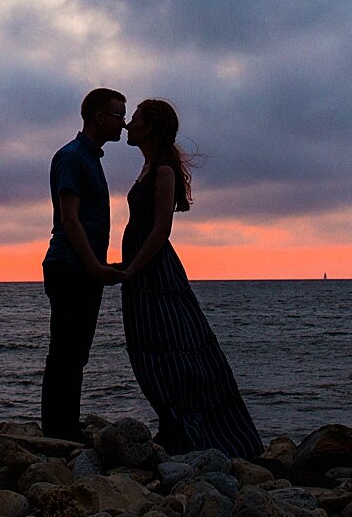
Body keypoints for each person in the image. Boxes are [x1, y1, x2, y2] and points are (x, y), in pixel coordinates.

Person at [117, 98, 263, 457]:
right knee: (149, 349)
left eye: (134, 119)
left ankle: (193, 433)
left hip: (155, 273)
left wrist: (132, 268)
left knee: (171, 350)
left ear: (149, 127)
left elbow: (161, 229)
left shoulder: (162, 170)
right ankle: (172, 424)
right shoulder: (150, 165)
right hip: (141, 271)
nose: (127, 125)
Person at [41, 87, 127, 441]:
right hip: (70, 267)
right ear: (98, 117)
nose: (123, 123)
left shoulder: (89, 158)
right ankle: (59, 431)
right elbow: (70, 219)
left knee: (74, 352)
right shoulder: (74, 157)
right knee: (66, 351)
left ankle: (65, 427)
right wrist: (94, 265)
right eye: (118, 115)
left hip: (81, 267)